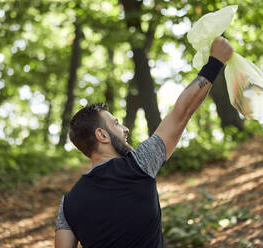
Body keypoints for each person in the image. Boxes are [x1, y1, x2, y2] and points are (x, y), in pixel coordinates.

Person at [54, 37, 233, 248]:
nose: (125, 129)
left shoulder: (68, 204)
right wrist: (215, 62)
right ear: (102, 135)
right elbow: (181, 113)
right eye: (116, 124)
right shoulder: (138, 164)